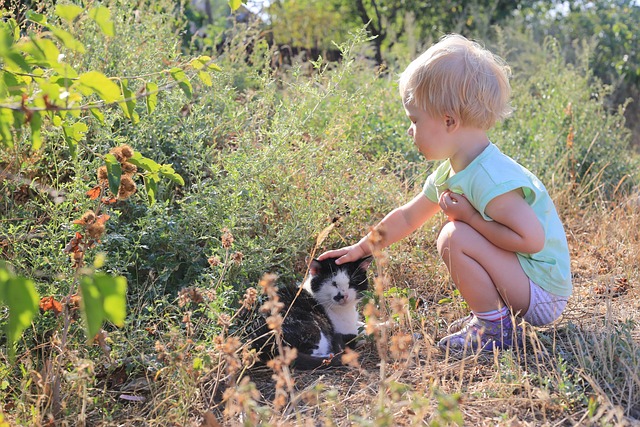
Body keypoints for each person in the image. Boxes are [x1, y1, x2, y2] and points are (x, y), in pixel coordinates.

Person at [318, 34, 572, 354]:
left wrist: (469, 218)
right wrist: (360, 248)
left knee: (454, 236)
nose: (410, 130)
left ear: (449, 120)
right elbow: (409, 216)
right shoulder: (453, 171)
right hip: (526, 282)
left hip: (543, 292)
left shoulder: (489, 177)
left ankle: (496, 329)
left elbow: (531, 240)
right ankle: (493, 317)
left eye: (414, 120)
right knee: (457, 233)